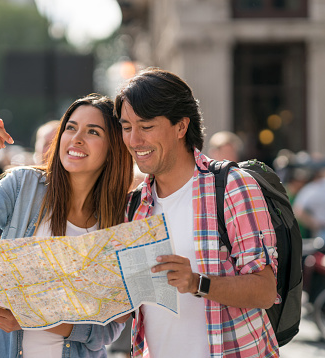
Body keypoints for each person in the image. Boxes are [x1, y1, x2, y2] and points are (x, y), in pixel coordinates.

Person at [0, 94, 133, 358]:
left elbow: (108, 328)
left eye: (93, 131)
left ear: (112, 149)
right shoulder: (24, 186)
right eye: (70, 128)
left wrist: (31, 318)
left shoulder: (123, 216)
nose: (76, 138)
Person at [114, 67, 279, 357]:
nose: (134, 140)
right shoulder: (135, 205)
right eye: (127, 127)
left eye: (146, 126)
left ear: (181, 127)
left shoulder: (231, 186)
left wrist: (196, 282)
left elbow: (265, 291)